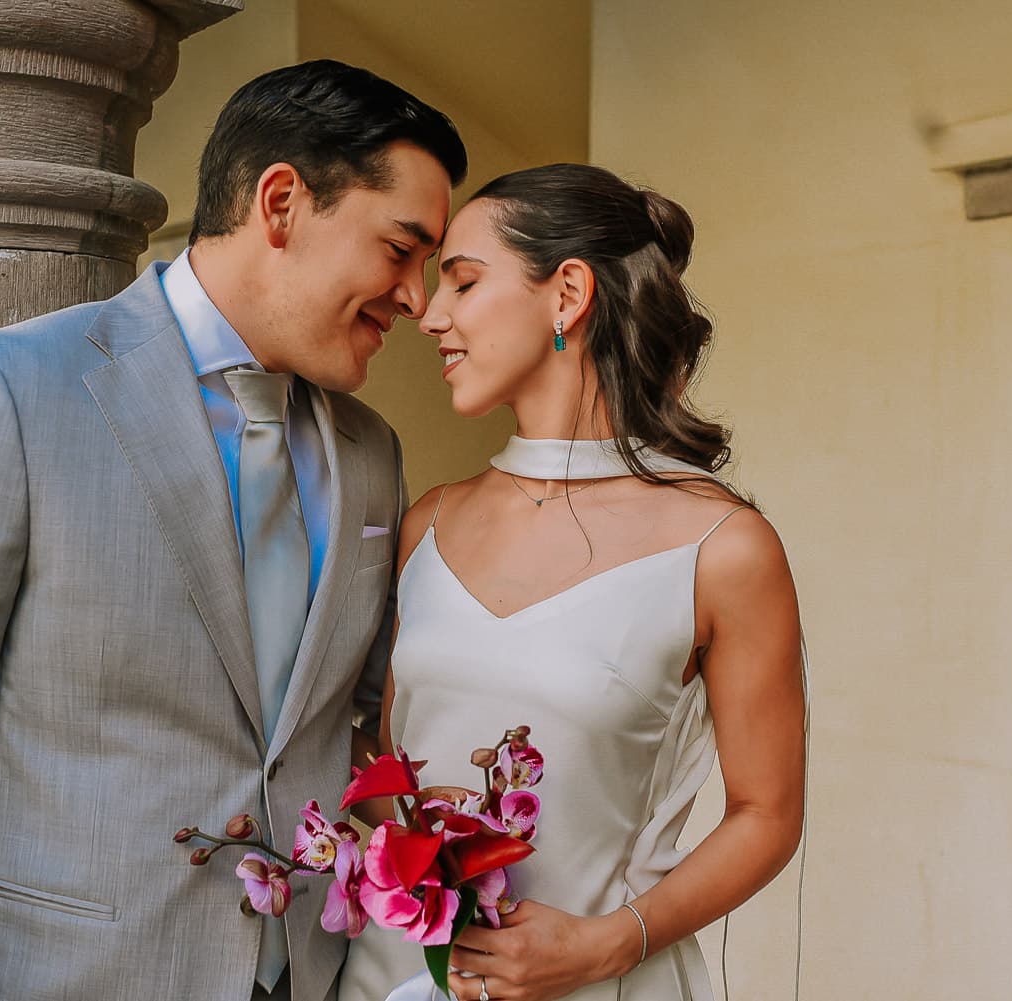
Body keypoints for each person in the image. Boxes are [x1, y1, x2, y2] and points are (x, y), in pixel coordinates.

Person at [0, 60, 466, 1001]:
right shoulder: (4, 397)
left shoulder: (372, 454)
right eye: (402, 248)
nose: (417, 297)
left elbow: (352, 725)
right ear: (282, 203)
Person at [339, 163, 807, 1001]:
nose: (431, 315)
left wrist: (606, 947)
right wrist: (413, 832)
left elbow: (767, 817)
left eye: (464, 281)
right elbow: (378, 755)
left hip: (596, 985)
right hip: (391, 978)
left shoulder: (724, 548)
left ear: (568, 294)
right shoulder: (428, 524)